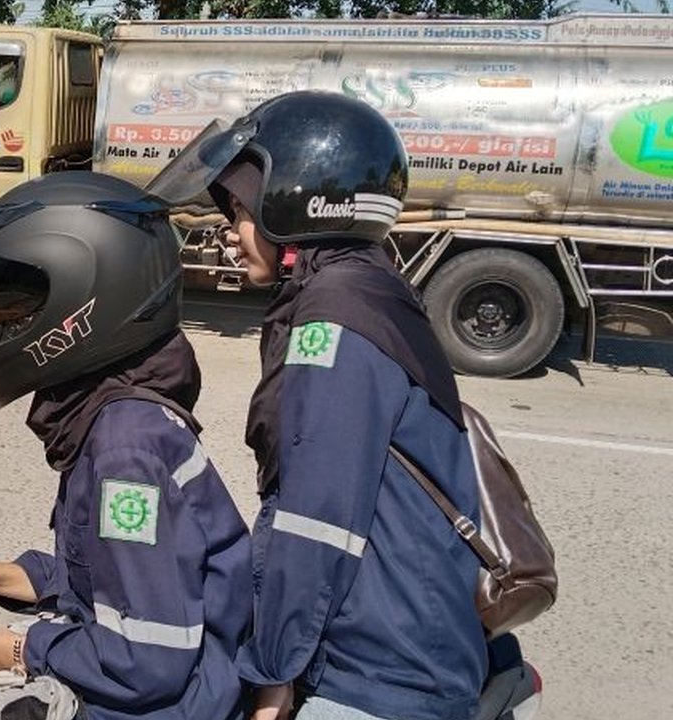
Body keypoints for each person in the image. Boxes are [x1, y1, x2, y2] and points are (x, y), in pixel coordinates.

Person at [148, 91, 488, 720]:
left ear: (294, 204)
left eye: (240, 209)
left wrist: (273, 672)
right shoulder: (369, 286)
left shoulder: (331, 322)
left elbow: (314, 519)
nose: (229, 229)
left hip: (378, 671)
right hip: (404, 633)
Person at [0, 171, 254, 720]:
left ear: (80, 308)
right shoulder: (112, 411)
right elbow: (108, 580)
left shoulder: (126, 451)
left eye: (16, 313)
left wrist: (12, 650)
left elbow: (148, 660)